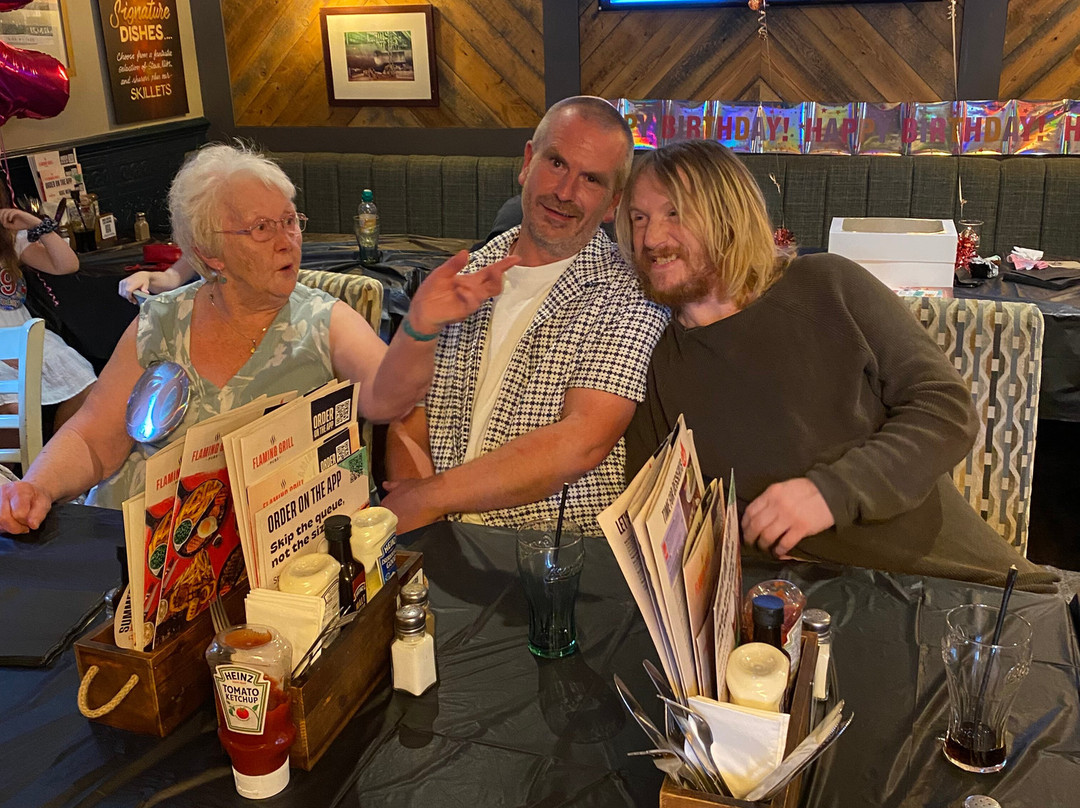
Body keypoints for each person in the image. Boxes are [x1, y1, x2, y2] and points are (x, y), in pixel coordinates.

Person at [0, 143, 515, 532]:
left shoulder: (322, 320)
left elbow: (387, 398)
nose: (288, 241)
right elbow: (93, 437)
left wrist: (420, 327)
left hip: (266, 552)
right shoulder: (161, 321)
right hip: (134, 545)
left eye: (291, 221)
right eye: (262, 228)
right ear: (210, 252)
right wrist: (37, 486)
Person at [619, 139, 1057, 592]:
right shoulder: (657, 360)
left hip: (954, 582)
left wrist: (830, 493)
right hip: (798, 601)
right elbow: (664, 512)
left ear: (727, 214)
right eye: (639, 218)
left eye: (674, 213)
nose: (651, 239)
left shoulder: (826, 284)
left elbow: (946, 408)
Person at [383, 96, 669, 534]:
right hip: (439, 536)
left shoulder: (630, 291)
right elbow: (409, 413)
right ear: (528, 162)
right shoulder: (463, 276)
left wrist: (427, 498)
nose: (565, 192)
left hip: (552, 548)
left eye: (591, 179)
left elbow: (582, 440)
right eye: (557, 163)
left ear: (613, 203)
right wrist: (421, 528)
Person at [0, 205, 96, 436]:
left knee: (87, 388)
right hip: (6, 350)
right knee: (14, 412)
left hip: (28, 337)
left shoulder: (8, 241)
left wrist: (36, 224)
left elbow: (67, 265)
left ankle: (57, 452)